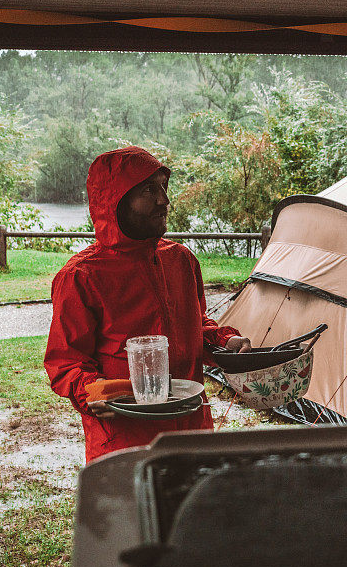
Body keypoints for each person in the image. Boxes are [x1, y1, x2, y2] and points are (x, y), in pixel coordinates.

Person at [44, 146, 251, 463]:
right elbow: (66, 362)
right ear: (116, 202)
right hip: (126, 443)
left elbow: (196, 325)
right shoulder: (82, 277)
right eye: (148, 190)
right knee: (136, 514)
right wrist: (93, 391)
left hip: (192, 431)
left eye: (164, 188)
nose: (164, 200)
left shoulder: (180, 260)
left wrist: (226, 342)